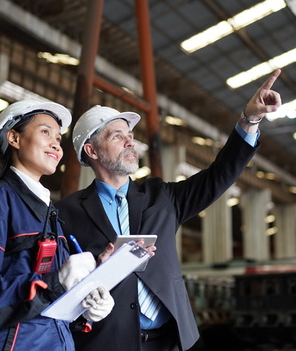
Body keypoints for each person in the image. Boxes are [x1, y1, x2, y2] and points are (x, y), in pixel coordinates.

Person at [56, 69, 282, 350]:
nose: (130, 141)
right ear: (91, 151)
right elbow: (60, 285)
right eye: (117, 136)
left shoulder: (161, 196)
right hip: (111, 342)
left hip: (175, 340)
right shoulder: (66, 214)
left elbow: (218, 175)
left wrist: (250, 120)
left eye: (130, 135)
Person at [0, 99, 115, 350]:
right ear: (14, 138)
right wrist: (54, 283)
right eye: (45, 131)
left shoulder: (48, 212)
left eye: (58, 138)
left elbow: (47, 301)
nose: (56, 143)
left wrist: (84, 307)